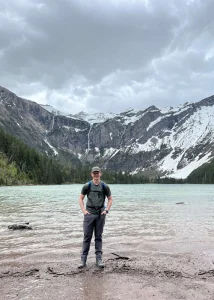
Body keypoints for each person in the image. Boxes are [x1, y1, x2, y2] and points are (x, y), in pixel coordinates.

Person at [78, 166, 113, 268]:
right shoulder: (87, 186)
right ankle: (83, 260)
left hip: (100, 215)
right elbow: (80, 199)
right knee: (87, 237)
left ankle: (99, 259)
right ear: (92, 174)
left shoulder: (104, 186)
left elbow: (110, 199)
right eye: (94, 173)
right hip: (89, 214)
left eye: (98, 173)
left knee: (98, 237)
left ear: (100, 174)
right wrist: (84, 210)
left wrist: (106, 210)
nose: (96, 175)